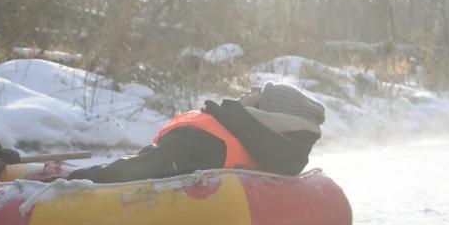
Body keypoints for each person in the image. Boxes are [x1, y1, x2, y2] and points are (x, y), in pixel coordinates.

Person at [67, 81, 326, 183]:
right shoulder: (271, 153)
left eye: (260, 90)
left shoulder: (208, 139)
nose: (250, 88)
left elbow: (138, 169)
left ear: (266, 111)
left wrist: (71, 178)